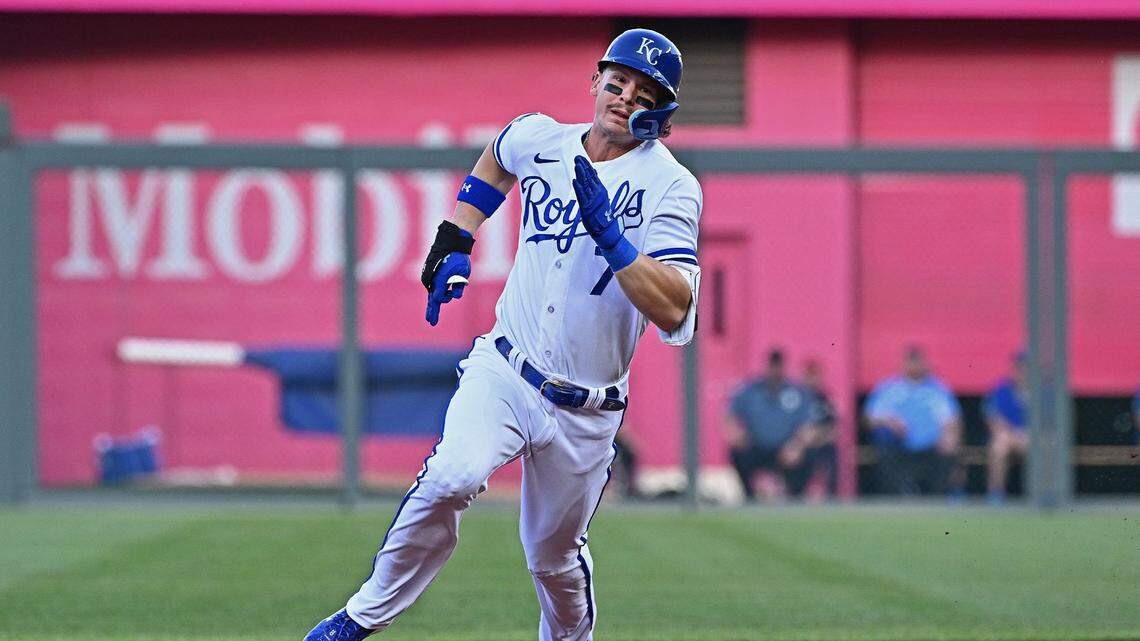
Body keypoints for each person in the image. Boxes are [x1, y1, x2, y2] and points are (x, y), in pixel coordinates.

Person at [304, 28, 700, 641]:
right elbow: (498, 154)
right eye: (617, 82)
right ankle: (357, 620)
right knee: (452, 476)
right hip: (507, 368)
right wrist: (458, 234)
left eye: (643, 93)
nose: (624, 98)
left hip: (587, 408)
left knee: (553, 562)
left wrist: (616, 243)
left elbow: (675, 308)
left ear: (662, 115)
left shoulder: (671, 186)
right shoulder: (540, 138)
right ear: (595, 83)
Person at [863, 345, 962, 496]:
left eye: (917, 362)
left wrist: (950, 436)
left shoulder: (937, 389)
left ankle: (940, 498)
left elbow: (951, 419)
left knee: (949, 449)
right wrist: (888, 422)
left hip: (931, 447)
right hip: (898, 446)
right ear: (902, 364)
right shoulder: (888, 389)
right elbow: (869, 418)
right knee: (883, 446)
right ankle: (896, 498)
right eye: (910, 362)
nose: (914, 366)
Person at [725, 349, 822, 501]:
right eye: (772, 366)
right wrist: (737, 434)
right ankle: (749, 496)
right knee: (738, 453)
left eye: (778, 366)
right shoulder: (750, 391)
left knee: (810, 454)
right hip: (757, 446)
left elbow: (810, 424)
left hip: (786, 448)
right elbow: (730, 416)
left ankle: (795, 497)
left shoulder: (797, 392)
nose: (775, 370)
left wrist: (797, 444)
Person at [983, 351, 1029, 504]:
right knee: (999, 445)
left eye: (1026, 367)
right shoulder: (1001, 389)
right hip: (1008, 435)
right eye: (1020, 367)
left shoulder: (1041, 390)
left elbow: (1048, 420)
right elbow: (993, 417)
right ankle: (996, 493)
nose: (1022, 371)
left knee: (1043, 444)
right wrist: (1010, 433)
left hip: (1031, 436)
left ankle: (1039, 493)